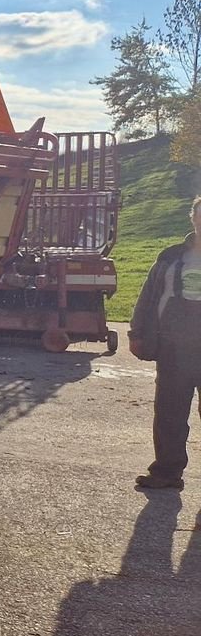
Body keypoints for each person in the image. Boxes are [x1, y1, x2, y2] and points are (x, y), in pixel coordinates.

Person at [128, 196, 201, 490]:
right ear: (193, 219)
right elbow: (149, 295)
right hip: (174, 347)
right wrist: (136, 332)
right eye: (200, 216)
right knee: (170, 413)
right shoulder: (171, 256)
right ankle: (167, 473)